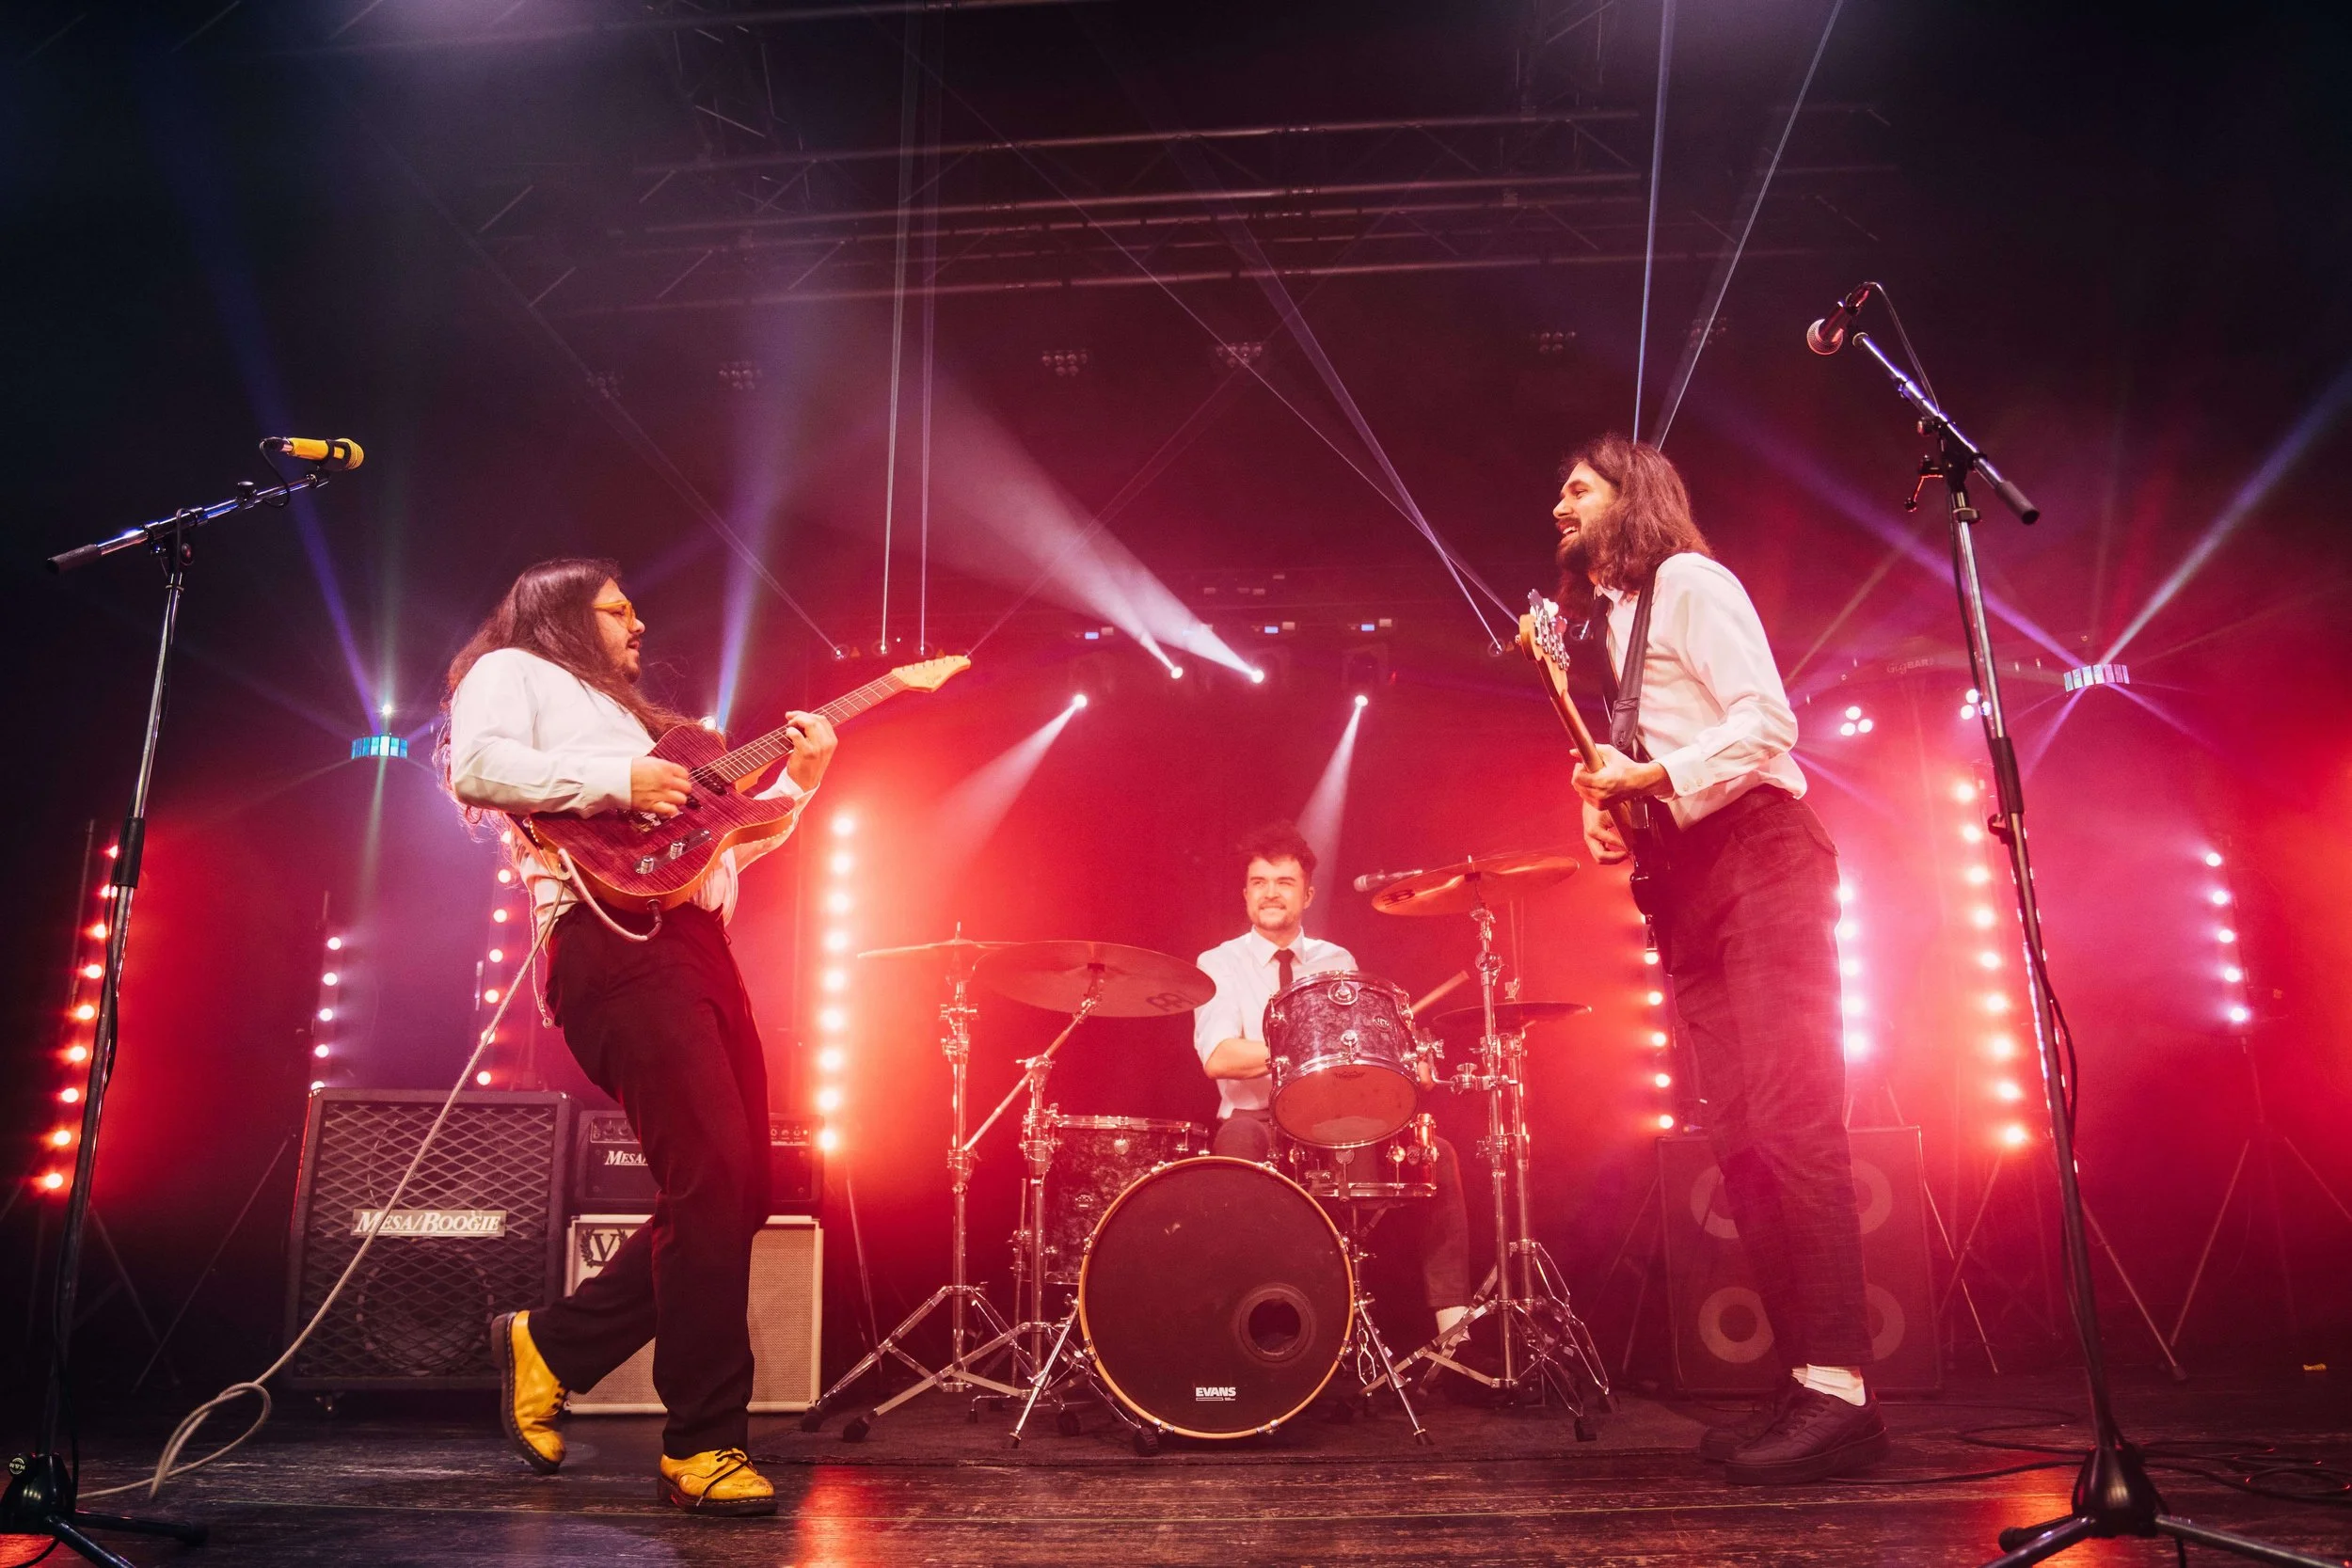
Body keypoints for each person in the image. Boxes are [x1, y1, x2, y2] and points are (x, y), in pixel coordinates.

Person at [441, 557, 836, 1516]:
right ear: (562, 614)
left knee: (740, 1189)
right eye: (618, 610)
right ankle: (702, 1442)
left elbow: (714, 847)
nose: (639, 625)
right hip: (610, 945)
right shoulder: (512, 669)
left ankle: (552, 1344)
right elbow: (475, 765)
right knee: (710, 1176)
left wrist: (800, 784)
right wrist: (620, 776)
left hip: (697, 944)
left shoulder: (644, 730)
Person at [1551, 434, 1887, 1484]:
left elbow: (1765, 723)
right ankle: (1804, 1375)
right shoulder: (1606, 629)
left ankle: (1842, 1388)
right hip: (1691, 884)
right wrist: (1616, 808)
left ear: (1632, 498)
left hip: (1763, 860)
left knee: (1794, 1121)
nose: (1559, 503)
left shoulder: (1691, 582)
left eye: (1579, 488)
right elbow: (1652, 767)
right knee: (1738, 1137)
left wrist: (1654, 775)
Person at [1192, 821, 1472, 1345]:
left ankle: (1454, 1330)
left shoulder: (1337, 961)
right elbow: (1219, 1057)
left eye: (1284, 882)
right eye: (1259, 882)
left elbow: (1357, 1053)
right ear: (1245, 893)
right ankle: (1241, 1323)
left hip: (1331, 1121)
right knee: (1236, 1143)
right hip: (1258, 1120)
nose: (1270, 893)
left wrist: (1403, 1062)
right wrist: (1305, 1049)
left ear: (1307, 894)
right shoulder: (1218, 963)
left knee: (1437, 1153)